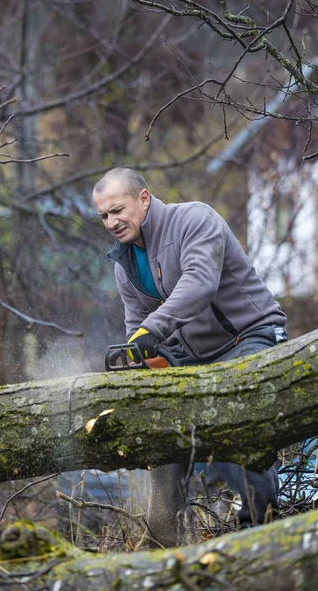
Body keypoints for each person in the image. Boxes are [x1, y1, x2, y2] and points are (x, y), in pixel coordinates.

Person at [93, 167, 288, 546]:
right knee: (160, 433)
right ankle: (163, 544)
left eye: (118, 210)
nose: (112, 222)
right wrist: (138, 359)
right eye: (104, 216)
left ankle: (260, 531)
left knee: (230, 415)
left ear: (144, 198)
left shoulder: (194, 219)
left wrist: (152, 331)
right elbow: (136, 326)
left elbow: (199, 283)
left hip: (248, 337)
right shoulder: (126, 264)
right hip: (194, 358)